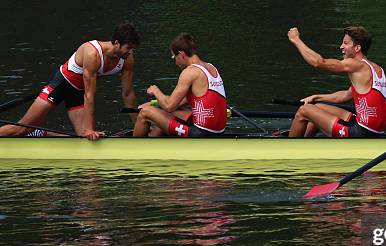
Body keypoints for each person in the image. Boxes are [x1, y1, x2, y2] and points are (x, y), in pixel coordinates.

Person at [0, 23, 140, 140]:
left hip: (78, 92)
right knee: (21, 129)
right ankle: (31, 131)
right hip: (61, 85)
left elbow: (128, 94)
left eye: (133, 48)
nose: (131, 52)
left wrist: (139, 128)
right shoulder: (93, 54)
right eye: (128, 48)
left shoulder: (127, 59)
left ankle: (41, 133)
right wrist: (90, 129)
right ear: (116, 43)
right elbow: (89, 95)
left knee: (83, 138)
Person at [287, 26, 386, 138]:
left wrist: (296, 40)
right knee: (318, 107)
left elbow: (319, 62)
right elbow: (345, 96)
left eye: (345, 43)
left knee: (303, 110)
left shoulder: (355, 64)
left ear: (357, 48)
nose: (341, 47)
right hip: (374, 129)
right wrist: (316, 97)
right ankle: (306, 141)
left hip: (361, 132)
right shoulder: (377, 69)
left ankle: (290, 148)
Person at [133, 33, 227, 137]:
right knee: (170, 113)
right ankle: (153, 138)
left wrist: (155, 91)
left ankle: (133, 149)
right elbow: (179, 103)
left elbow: (169, 106)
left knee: (144, 113)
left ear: (181, 54)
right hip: (219, 131)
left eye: (174, 57)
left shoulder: (190, 72)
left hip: (200, 133)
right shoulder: (211, 67)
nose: (175, 62)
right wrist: (155, 106)